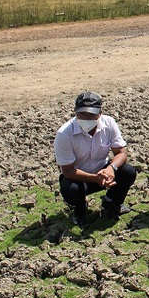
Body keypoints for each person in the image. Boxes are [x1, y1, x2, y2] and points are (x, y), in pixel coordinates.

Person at [53, 91, 137, 226]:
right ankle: (80, 210)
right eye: (82, 114)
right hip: (79, 177)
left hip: (103, 172)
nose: (86, 119)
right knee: (72, 190)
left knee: (128, 172)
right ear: (75, 112)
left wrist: (111, 168)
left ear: (100, 112)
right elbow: (68, 171)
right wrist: (95, 178)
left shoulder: (108, 123)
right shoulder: (64, 134)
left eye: (91, 115)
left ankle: (112, 202)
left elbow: (121, 153)